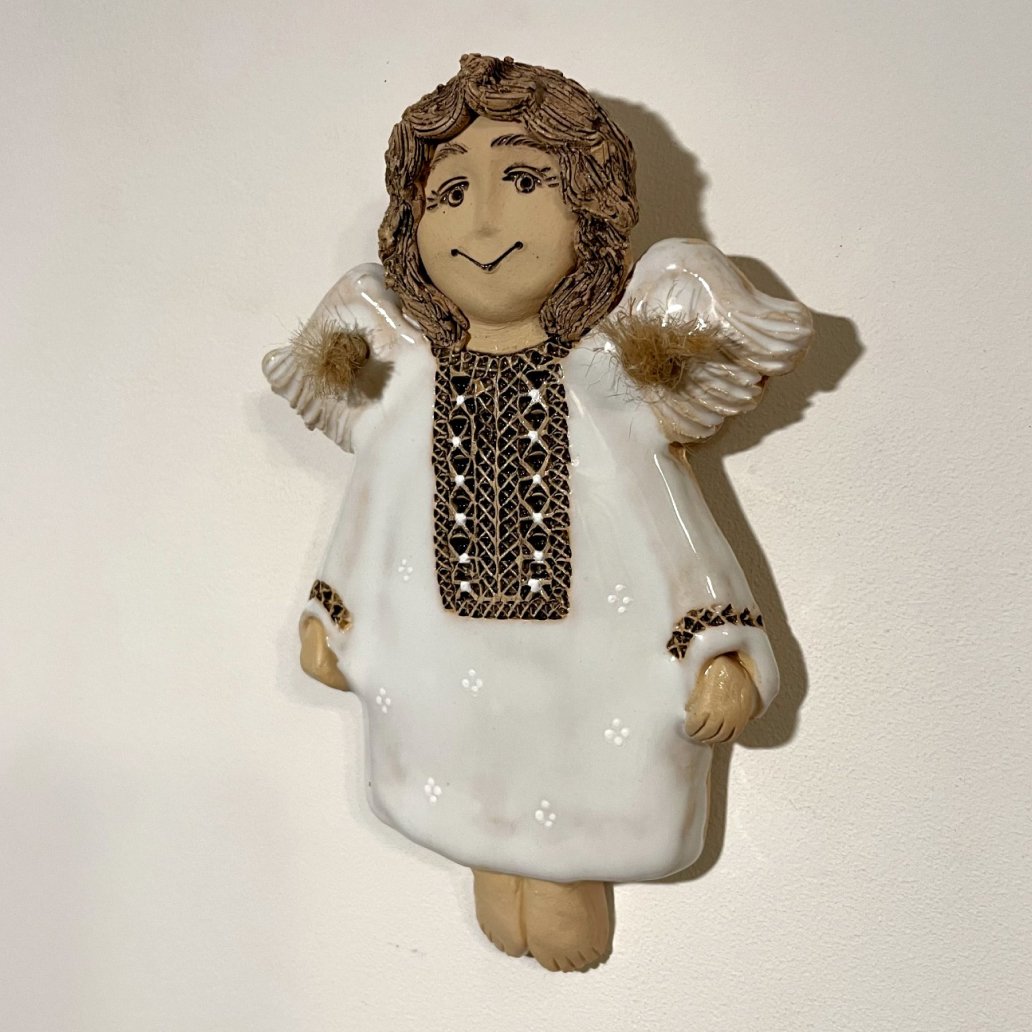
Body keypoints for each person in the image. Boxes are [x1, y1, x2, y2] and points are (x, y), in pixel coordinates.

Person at [264, 54, 811, 972]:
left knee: (571, 794)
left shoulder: (607, 380)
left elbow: (667, 524)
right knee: (461, 783)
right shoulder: (406, 382)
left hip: (591, 672)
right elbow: (372, 507)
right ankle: (490, 856)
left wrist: (718, 649)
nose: (483, 221)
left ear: (588, 206)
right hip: (444, 663)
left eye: (523, 180)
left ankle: (560, 877)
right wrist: (333, 612)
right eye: (450, 193)